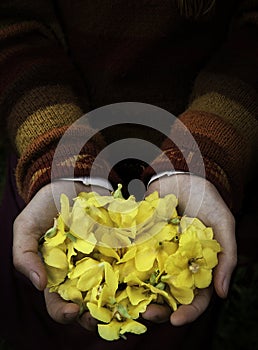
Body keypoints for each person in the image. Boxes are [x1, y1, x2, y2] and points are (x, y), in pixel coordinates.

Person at [0, 0, 257, 349]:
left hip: (208, 148)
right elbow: (11, 25)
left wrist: (203, 157)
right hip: (50, 148)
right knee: (40, 301)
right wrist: (59, 159)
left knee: (172, 325)